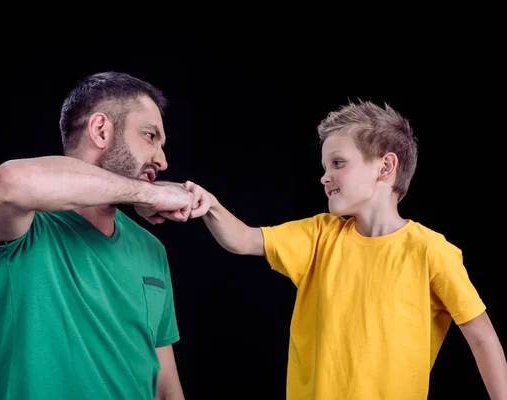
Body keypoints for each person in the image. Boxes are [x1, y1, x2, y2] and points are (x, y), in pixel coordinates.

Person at [153, 100, 507, 399]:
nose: (324, 176)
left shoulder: (431, 251)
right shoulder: (321, 235)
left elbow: (483, 340)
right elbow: (242, 239)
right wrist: (210, 205)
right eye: (324, 167)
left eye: (338, 163)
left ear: (385, 167)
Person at [0, 71, 192, 400]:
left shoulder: (151, 248)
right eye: (150, 136)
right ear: (101, 130)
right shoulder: (26, 225)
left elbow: (166, 385)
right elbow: (10, 181)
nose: (162, 159)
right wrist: (148, 194)